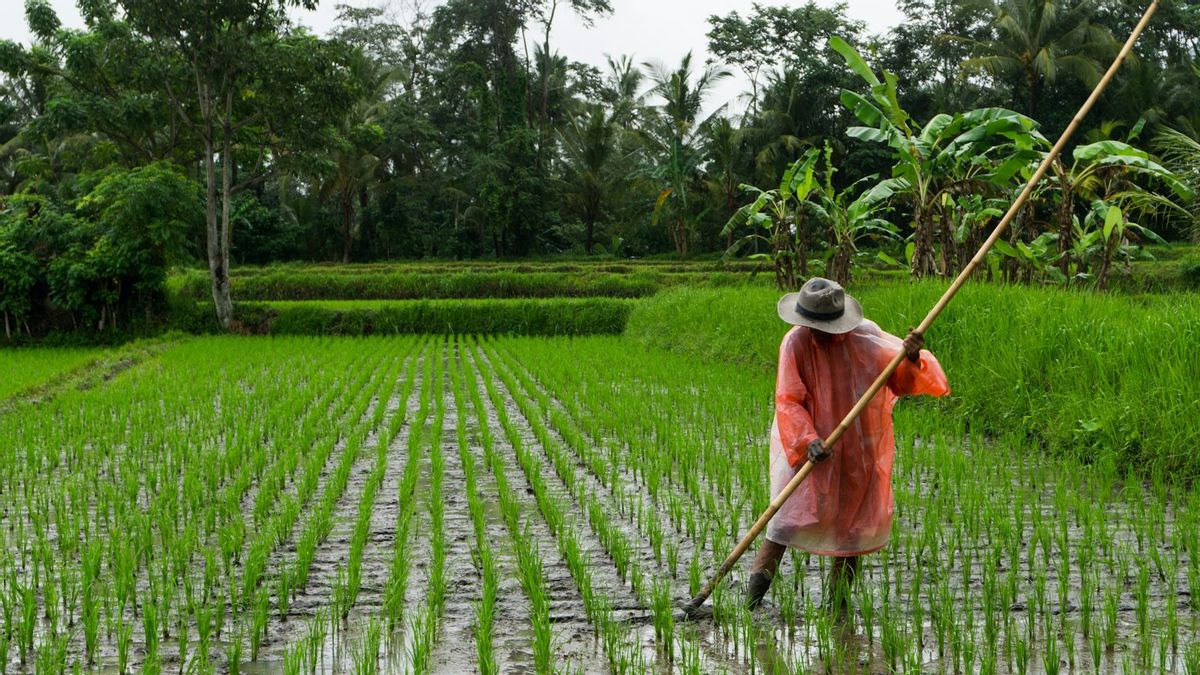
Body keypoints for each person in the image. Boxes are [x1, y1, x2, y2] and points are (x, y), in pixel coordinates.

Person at [747, 277, 950, 613]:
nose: (816, 333)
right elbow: (788, 400)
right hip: (808, 445)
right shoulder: (795, 343)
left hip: (859, 445)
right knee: (783, 523)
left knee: (852, 530)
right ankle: (751, 604)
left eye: (822, 327)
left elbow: (898, 380)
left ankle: (837, 607)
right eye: (810, 326)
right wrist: (808, 440)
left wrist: (911, 358)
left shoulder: (866, 337)